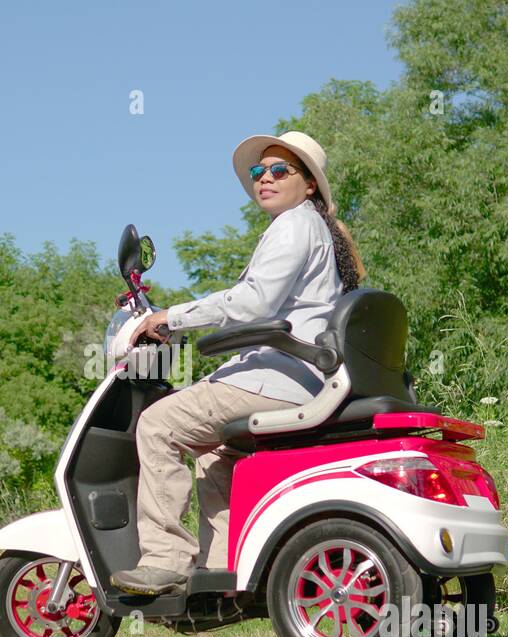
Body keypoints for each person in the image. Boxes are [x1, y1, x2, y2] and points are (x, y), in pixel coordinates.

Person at [110, 130, 367, 596]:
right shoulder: (311, 229)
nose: (264, 178)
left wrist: (173, 317)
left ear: (309, 184)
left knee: (157, 424)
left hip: (275, 378)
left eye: (278, 170)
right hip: (297, 377)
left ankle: (165, 560)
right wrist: (178, 322)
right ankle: (222, 572)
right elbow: (263, 307)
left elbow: (253, 304)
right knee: (214, 454)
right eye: (257, 172)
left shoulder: (293, 225)